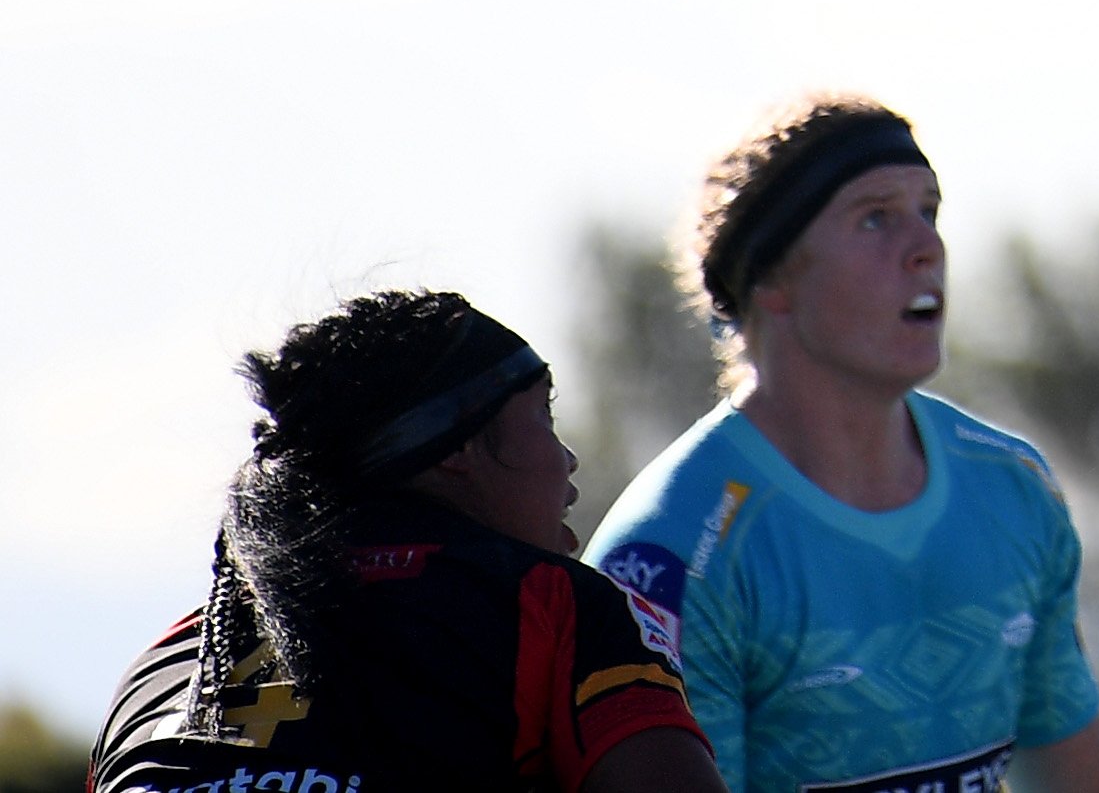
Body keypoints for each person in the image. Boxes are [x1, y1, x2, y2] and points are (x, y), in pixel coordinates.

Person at [590, 98, 1099, 793]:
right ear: (774, 279)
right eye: (876, 217)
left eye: (929, 212)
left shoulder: (1013, 486)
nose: (926, 247)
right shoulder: (671, 558)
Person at [94, 288, 723, 793]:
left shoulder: (163, 662)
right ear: (458, 448)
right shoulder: (555, 605)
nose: (569, 459)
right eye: (544, 416)